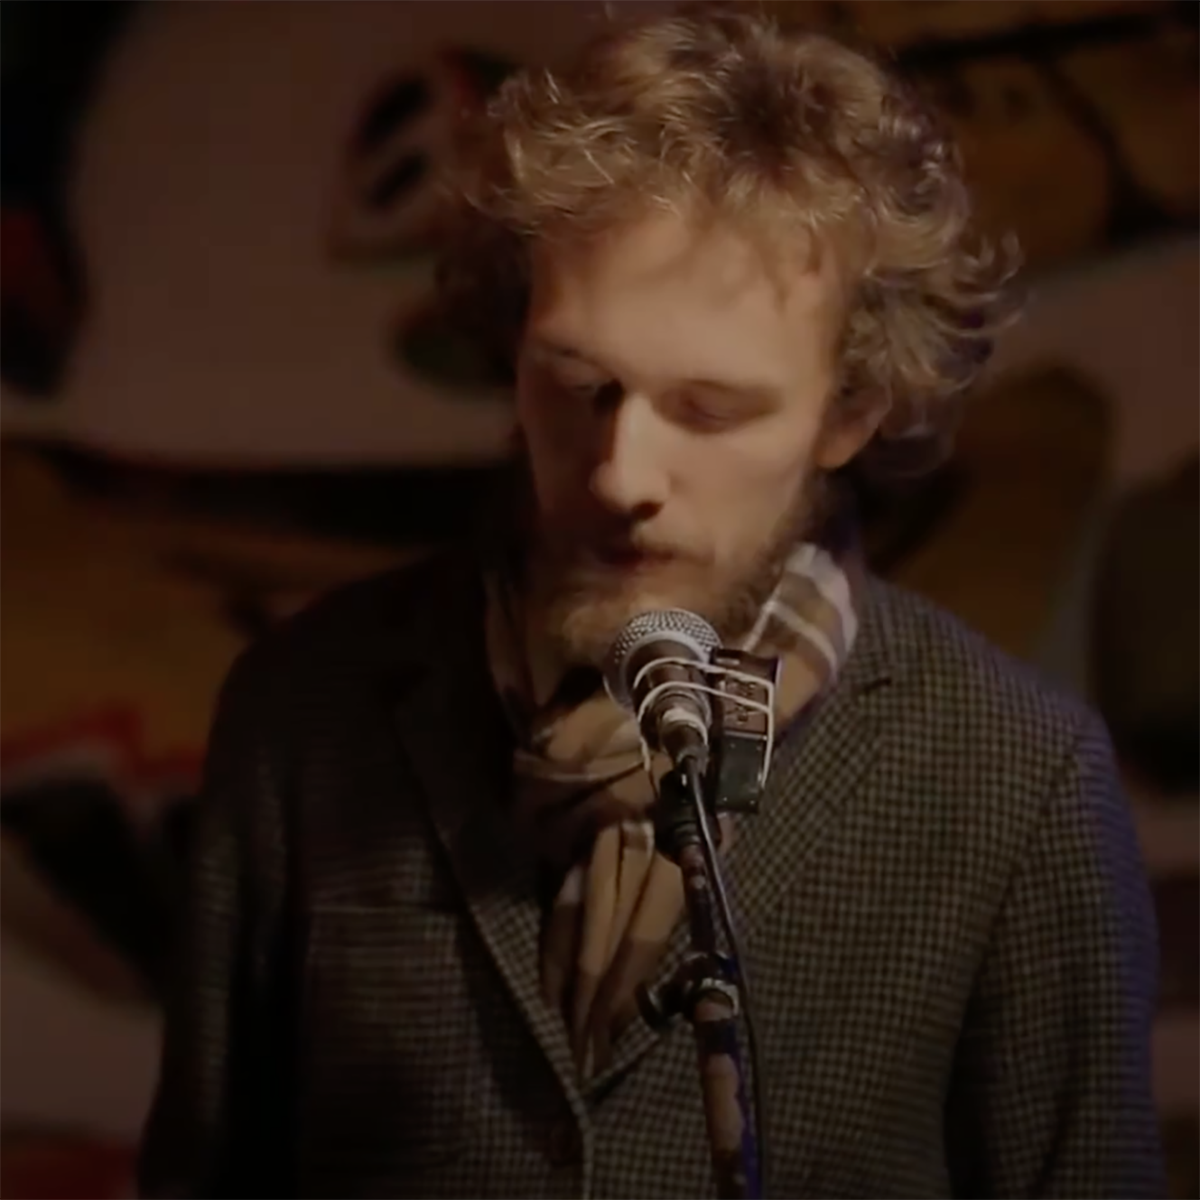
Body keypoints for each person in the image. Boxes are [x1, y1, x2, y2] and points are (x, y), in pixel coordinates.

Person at [137, 4, 1165, 1197]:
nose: (623, 474)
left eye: (710, 411)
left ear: (852, 410)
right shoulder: (306, 713)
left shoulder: (1015, 782)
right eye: (578, 386)